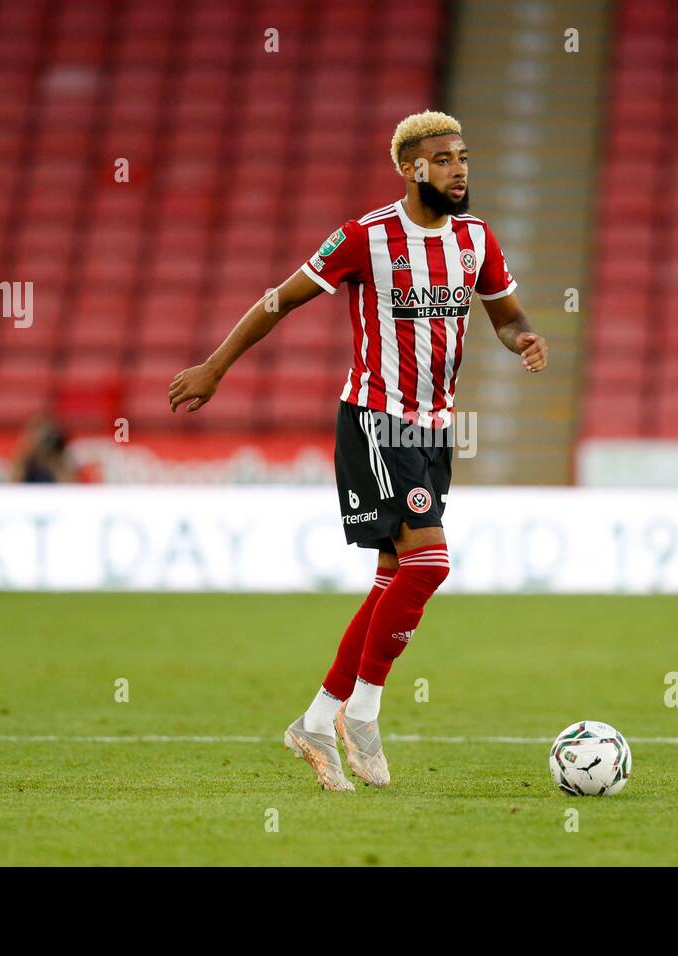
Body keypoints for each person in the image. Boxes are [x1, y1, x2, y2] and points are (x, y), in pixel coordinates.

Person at [169, 111, 548, 790]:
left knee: (392, 579)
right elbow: (279, 301)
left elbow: (507, 316)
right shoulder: (365, 237)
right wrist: (216, 367)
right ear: (411, 168)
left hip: (433, 430)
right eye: (444, 158)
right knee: (429, 564)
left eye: (464, 155)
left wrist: (524, 340)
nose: (460, 168)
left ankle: (317, 719)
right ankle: (364, 714)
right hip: (377, 419)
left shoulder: (476, 240)